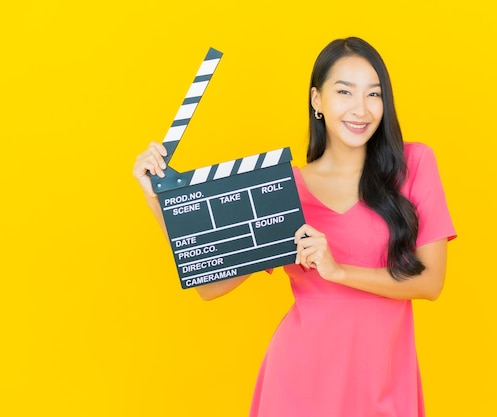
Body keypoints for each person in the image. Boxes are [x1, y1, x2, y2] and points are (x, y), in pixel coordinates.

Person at [133, 37, 456, 417]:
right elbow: (210, 286)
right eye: (344, 92)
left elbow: (430, 282)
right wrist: (158, 200)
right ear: (317, 101)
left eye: (374, 94)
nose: (361, 108)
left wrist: (339, 271)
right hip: (298, 387)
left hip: (383, 386)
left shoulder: (414, 164)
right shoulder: (287, 188)